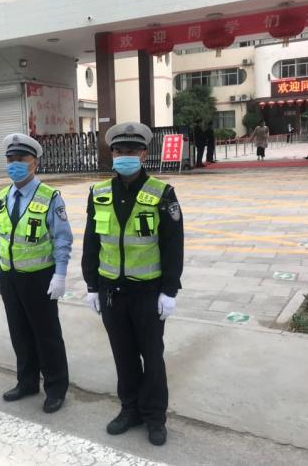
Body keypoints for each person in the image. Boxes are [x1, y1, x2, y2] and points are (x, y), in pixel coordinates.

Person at [81, 122, 184, 447]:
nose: (124, 155)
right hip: (112, 292)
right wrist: (92, 285)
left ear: (143, 154)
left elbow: (173, 245)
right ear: (112, 154)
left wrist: (169, 290)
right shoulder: (98, 193)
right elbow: (91, 243)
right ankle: (130, 409)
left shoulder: (162, 193)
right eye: (119, 150)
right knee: (123, 355)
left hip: (147, 293)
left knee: (152, 357)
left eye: (131, 150)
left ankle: (154, 416)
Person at [0, 133, 72, 414]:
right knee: (19, 332)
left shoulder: (50, 197)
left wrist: (60, 275)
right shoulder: (2, 197)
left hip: (39, 277)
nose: (14, 164)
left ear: (34, 163)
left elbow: (62, 239)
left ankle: (56, 388)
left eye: (21, 159)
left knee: (46, 335)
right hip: (10, 276)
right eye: (10, 159)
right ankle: (26, 382)